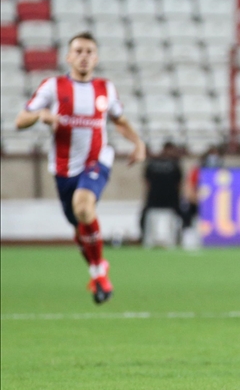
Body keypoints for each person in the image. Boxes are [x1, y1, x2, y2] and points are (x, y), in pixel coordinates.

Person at [15, 32, 146, 304]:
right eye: (79, 51)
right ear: (68, 57)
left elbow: (119, 120)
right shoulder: (53, 87)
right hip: (64, 170)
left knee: (84, 207)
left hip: (97, 160)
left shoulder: (105, 89)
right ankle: (98, 269)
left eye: (89, 52)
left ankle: (98, 272)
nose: (84, 56)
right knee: (79, 225)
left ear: (96, 58)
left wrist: (138, 142)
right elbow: (20, 120)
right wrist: (40, 115)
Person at [140, 141, 184, 244]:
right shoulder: (173, 164)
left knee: (178, 218)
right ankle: (144, 238)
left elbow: (147, 182)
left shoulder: (172, 164)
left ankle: (178, 238)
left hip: (164, 199)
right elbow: (179, 183)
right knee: (145, 218)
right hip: (161, 199)